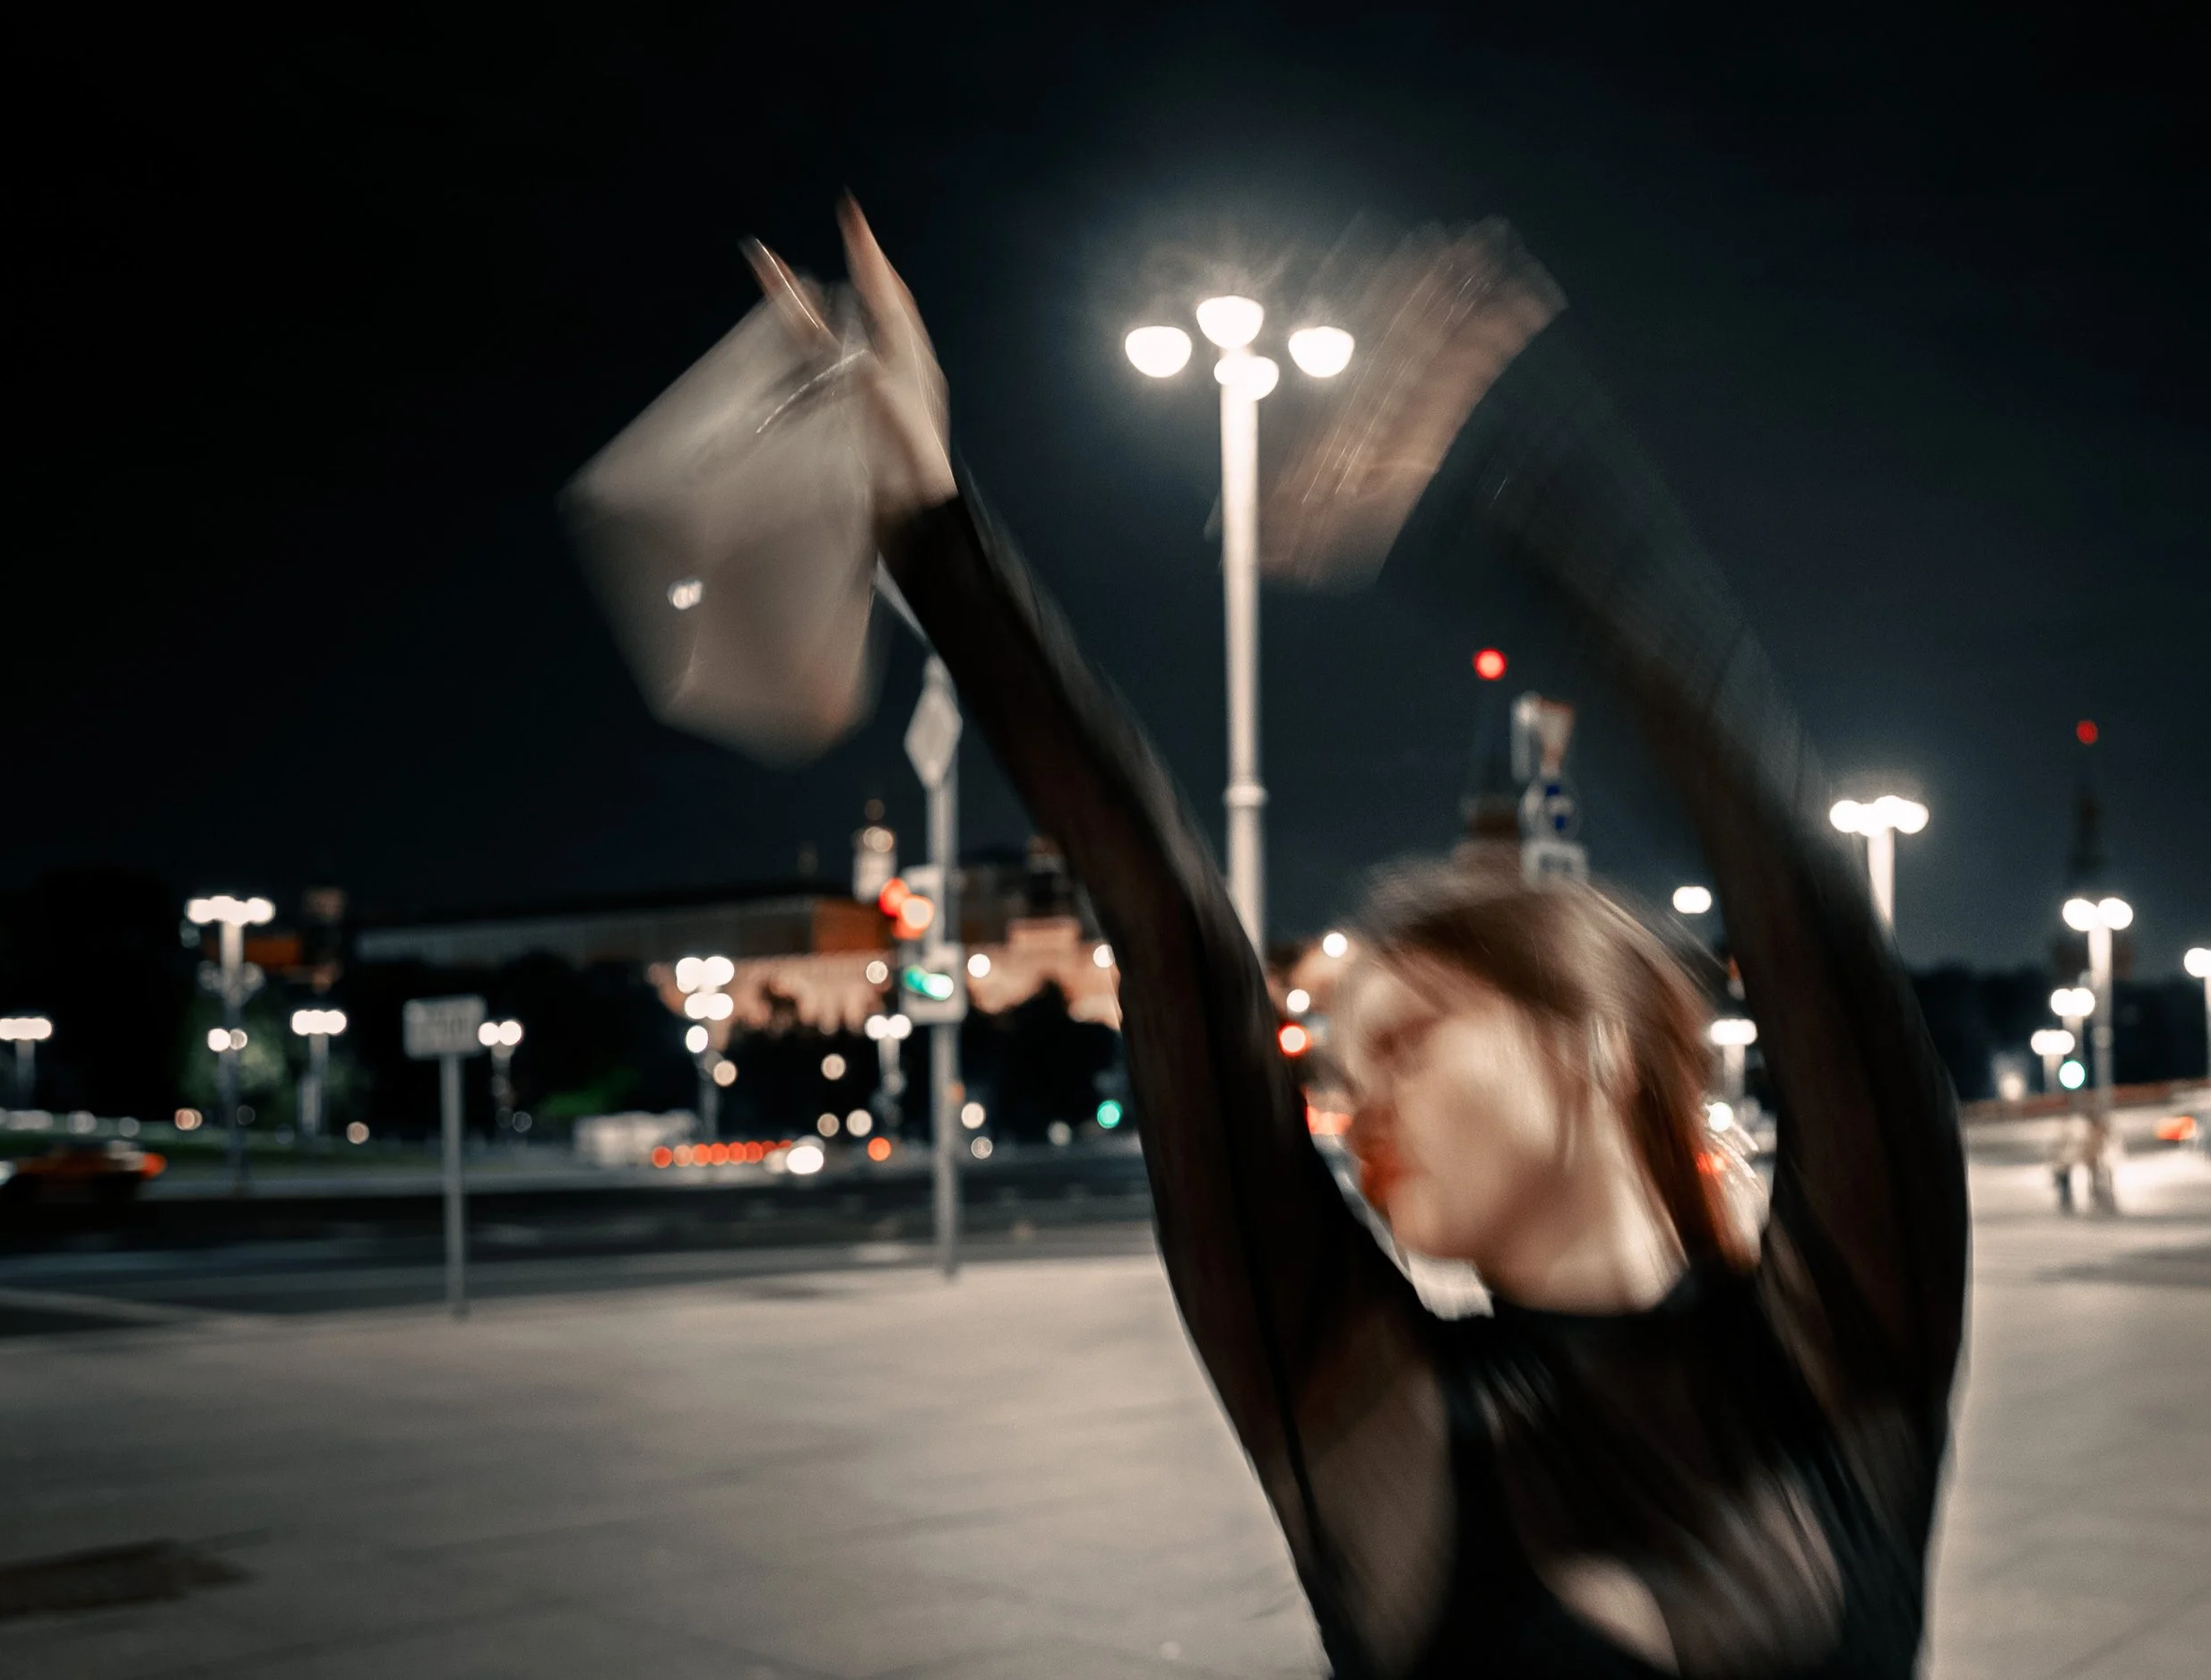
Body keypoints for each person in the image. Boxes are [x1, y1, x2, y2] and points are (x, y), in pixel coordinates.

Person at [738, 201, 1969, 1678]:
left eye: (1406, 1035)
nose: (1349, 1099)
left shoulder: (1834, 1357)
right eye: (1334, 1057)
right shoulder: (1375, 1414)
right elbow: (1178, 938)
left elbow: (1799, 890)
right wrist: (932, 532)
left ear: (1581, 1037)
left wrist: (1518, 497)